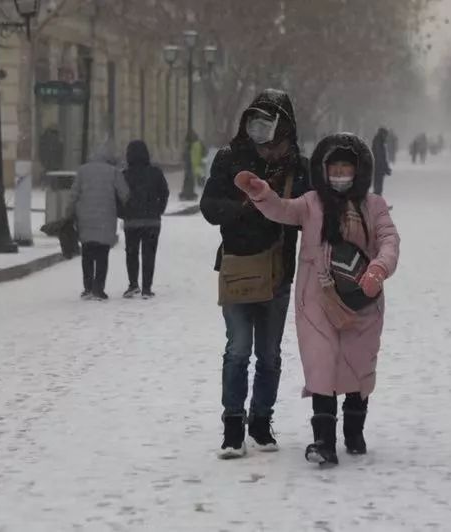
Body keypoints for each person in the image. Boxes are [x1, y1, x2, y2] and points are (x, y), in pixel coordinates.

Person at [235, 132, 400, 466]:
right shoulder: (310, 203)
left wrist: (378, 270)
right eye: (333, 168)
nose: (339, 175)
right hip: (316, 297)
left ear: (359, 170)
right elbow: (282, 210)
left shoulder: (374, 206)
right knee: (321, 361)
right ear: (323, 170)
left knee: (358, 361)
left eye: (346, 168)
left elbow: (389, 241)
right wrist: (262, 194)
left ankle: (354, 431)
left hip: (361, 297)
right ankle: (323, 440)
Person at [200, 89, 310, 458]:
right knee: (237, 349)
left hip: (278, 269)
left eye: (269, 122)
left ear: (286, 126)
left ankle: (261, 423)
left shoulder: (297, 166)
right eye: (255, 121)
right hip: (237, 265)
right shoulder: (230, 159)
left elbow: (309, 210)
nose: (260, 131)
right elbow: (209, 205)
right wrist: (244, 209)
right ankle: (233, 427)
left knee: (269, 354)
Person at [66, 142, 129, 301]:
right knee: (102, 254)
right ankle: (98, 289)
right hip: (106, 218)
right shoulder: (113, 172)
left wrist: (69, 212)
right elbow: (125, 193)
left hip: (85, 217)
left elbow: (73, 194)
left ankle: (87, 288)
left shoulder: (82, 171)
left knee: (87, 253)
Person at [121, 140, 169, 299]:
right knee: (149, 254)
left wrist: (123, 213)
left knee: (131, 253)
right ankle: (147, 288)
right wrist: (159, 209)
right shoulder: (156, 173)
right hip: (152, 220)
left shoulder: (125, 175)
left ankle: (133, 284)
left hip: (131, 221)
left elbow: (119, 196)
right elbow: (164, 192)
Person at [371, 127, 391, 195]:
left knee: (378, 186)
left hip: (378, 166)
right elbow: (380, 156)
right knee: (378, 186)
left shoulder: (380, 141)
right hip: (378, 166)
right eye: (386, 135)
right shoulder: (378, 141)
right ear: (382, 134)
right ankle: (376, 203)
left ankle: (377, 202)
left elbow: (383, 156)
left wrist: (386, 167)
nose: (386, 137)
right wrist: (385, 167)